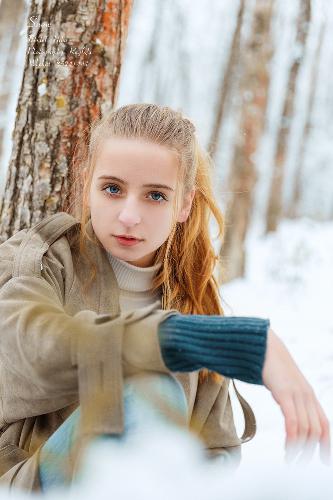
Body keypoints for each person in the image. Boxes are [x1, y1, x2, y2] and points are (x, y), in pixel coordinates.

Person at [0, 104, 330, 493]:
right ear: (87, 184)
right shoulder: (40, 260)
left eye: (155, 196)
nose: (128, 215)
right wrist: (183, 340)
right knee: (147, 393)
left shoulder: (191, 299)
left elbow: (214, 451)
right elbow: (28, 355)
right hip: (33, 482)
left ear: (184, 204)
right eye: (112, 189)